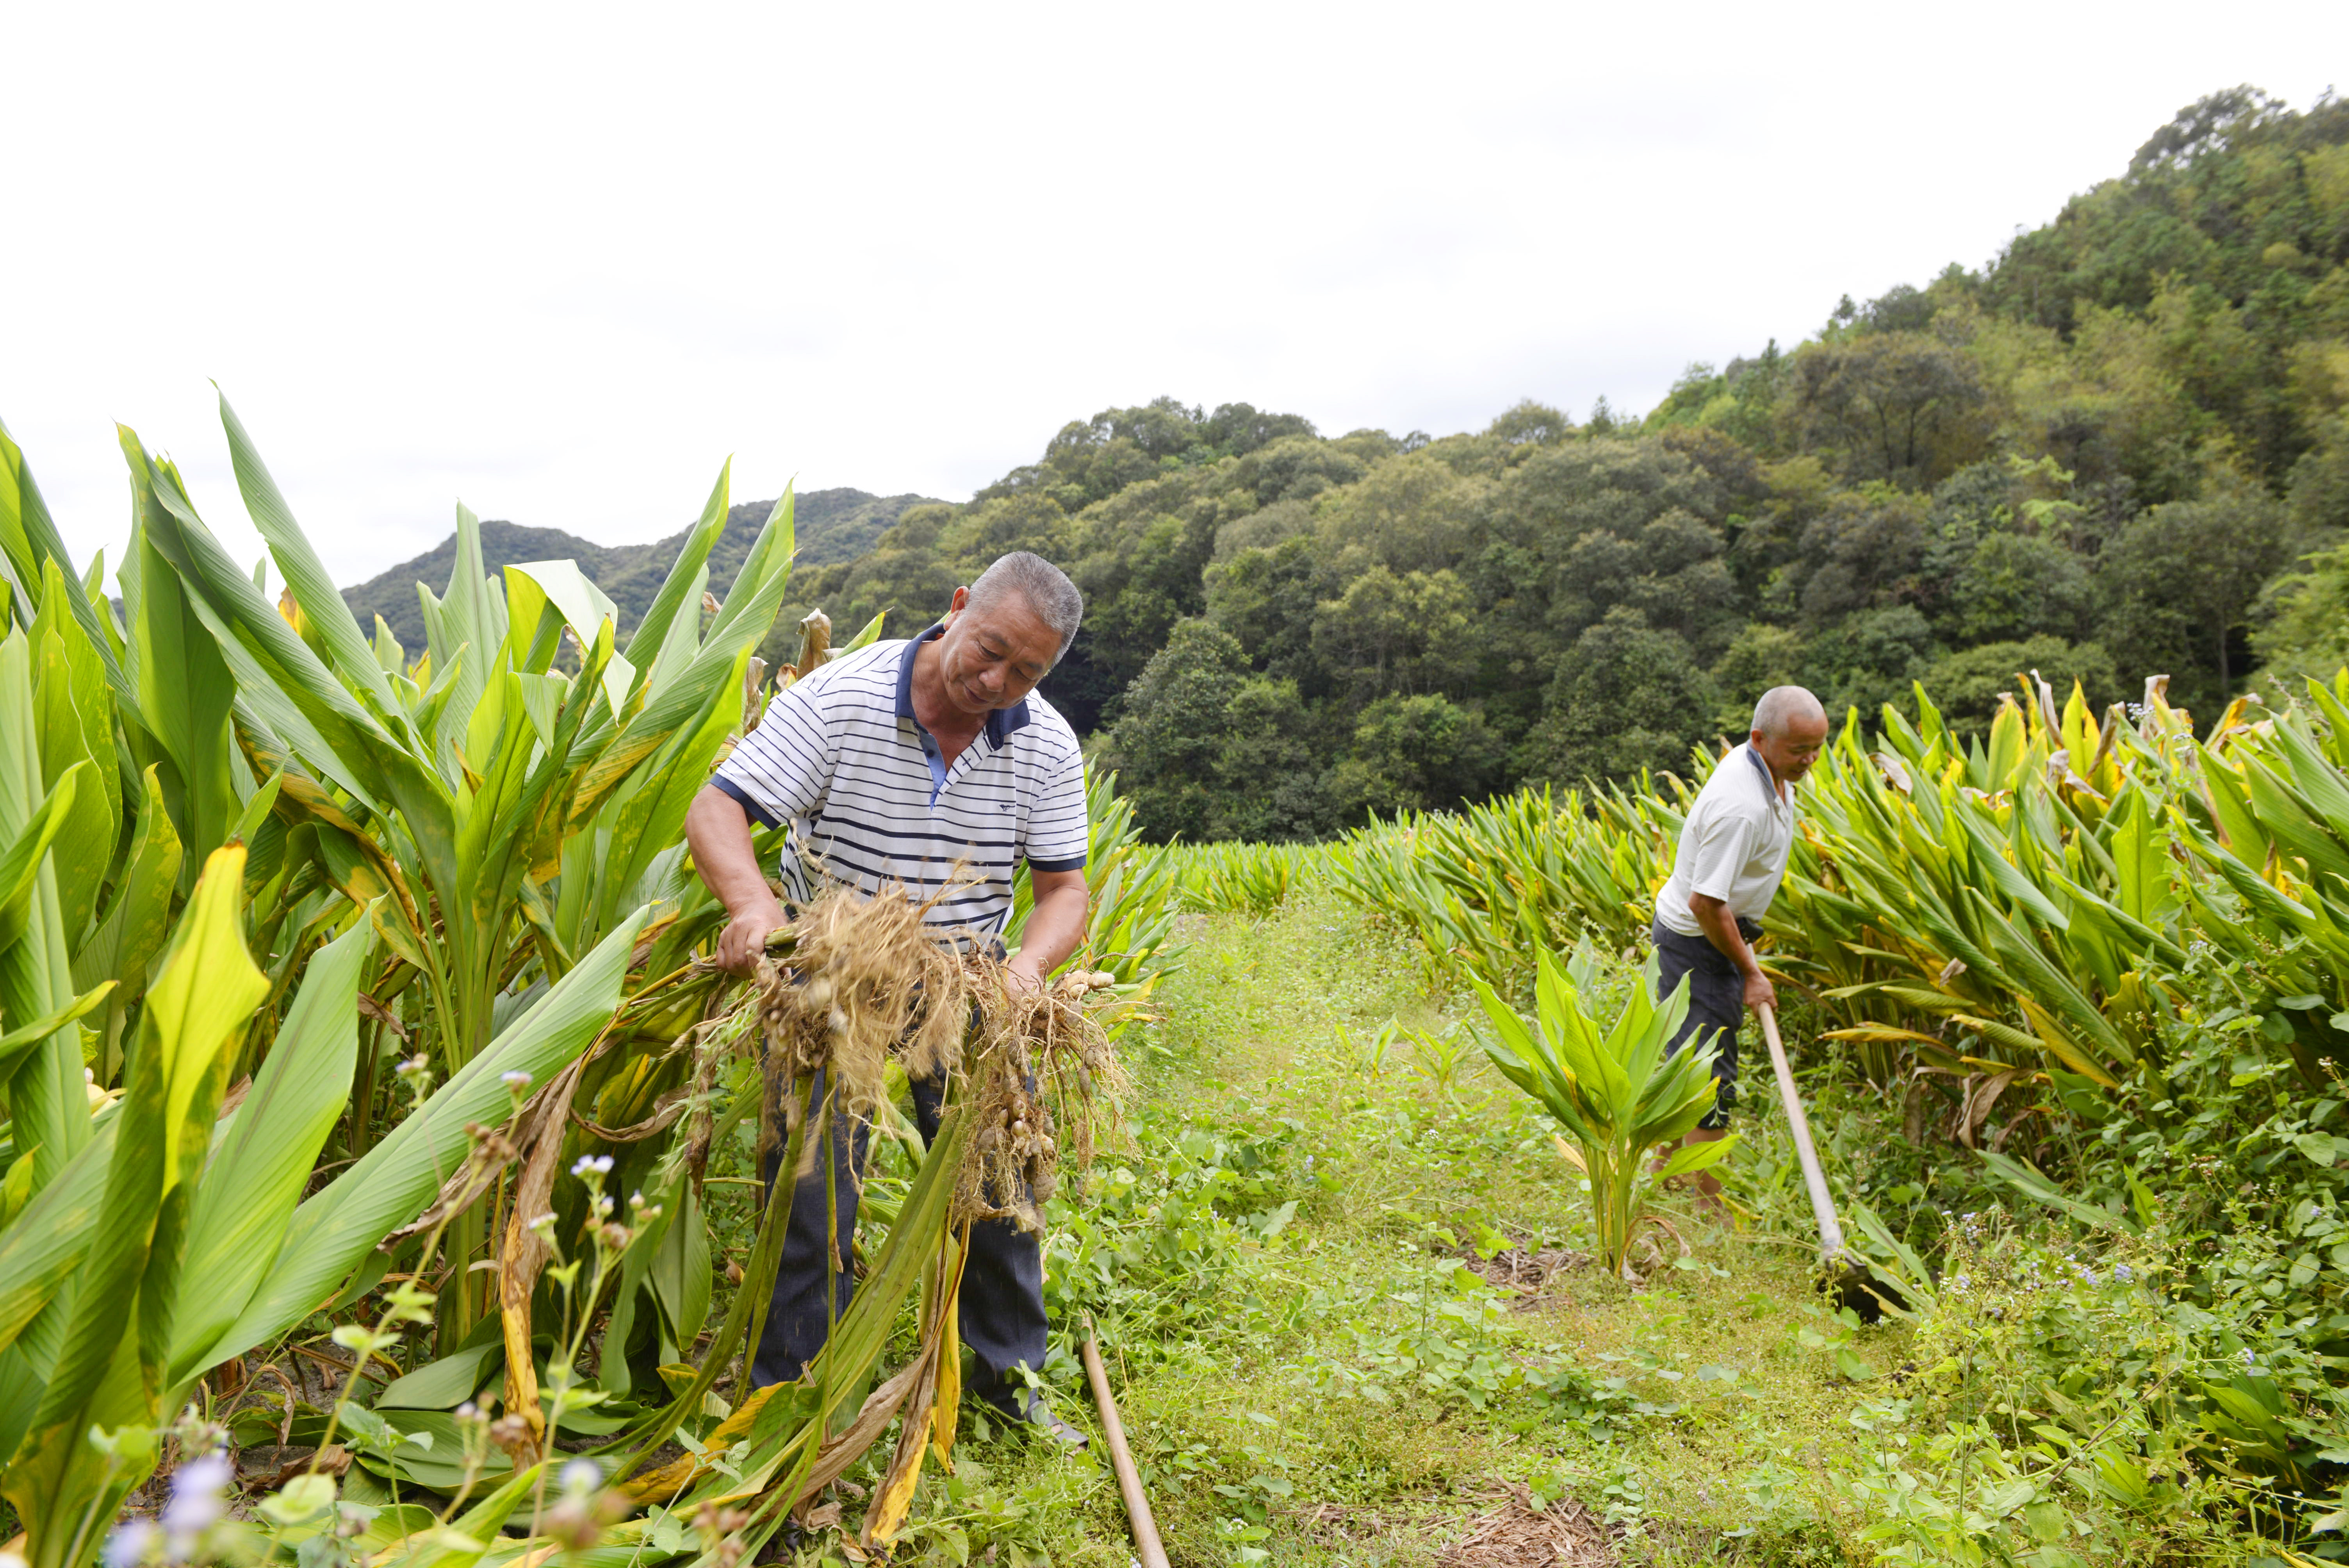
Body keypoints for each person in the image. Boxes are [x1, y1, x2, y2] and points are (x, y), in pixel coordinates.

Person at [683, 551, 1094, 1449]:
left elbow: (1064, 891)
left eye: (1024, 672)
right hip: (834, 970)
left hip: (965, 977)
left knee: (1000, 1187)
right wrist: (753, 905)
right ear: (956, 608)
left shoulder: (1045, 743)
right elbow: (718, 809)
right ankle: (787, 1405)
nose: (996, 680)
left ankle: (1006, 1388)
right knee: (810, 1194)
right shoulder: (840, 701)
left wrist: (1023, 974)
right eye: (988, 651)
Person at [1650, 685, 1830, 1201]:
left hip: (1716, 939)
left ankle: (1664, 1185)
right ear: (1760, 739)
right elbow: (1706, 904)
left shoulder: (1766, 767)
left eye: (1816, 748)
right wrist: (1750, 973)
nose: (1809, 761)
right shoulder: (1741, 807)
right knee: (1709, 1079)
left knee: (1691, 1065)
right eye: (1799, 751)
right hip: (1698, 944)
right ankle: (1709, 1216)